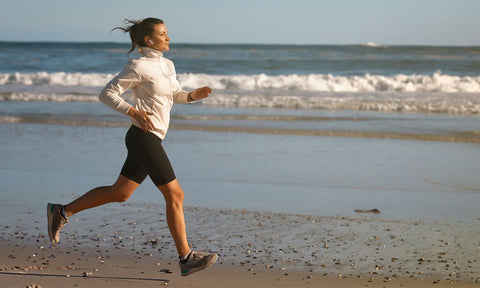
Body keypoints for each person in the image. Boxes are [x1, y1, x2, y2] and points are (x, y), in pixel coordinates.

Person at [47, 17, 218, 277]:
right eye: (163, 34)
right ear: (149, 40)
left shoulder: (168, 65)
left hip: (153, 138)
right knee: (176, 195)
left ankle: (62, 211)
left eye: (167, 33)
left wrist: (194, 96)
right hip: (142, 137)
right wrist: (133, 111)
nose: (168, 37)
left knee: (120, 193)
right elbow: (107, 94)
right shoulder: (138, 66)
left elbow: (174, 96)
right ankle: (186, 257)